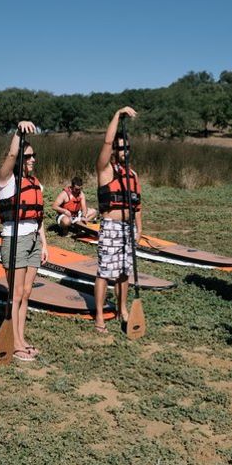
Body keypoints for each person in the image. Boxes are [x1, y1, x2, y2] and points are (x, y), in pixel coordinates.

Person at [0, 121, 49, 361]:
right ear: (19, 159)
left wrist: (44, 244)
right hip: (14, 240)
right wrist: (18, 132)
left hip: (33, 242)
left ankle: (21, 337)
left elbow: (39, 218)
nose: (33, 160)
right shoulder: (6, 180)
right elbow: (11, 153)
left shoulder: (36, 183)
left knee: (26, 293)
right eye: (28, 156)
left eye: (34, 156)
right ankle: (14, 342)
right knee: (15, 294)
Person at [93, 107, 141, 333]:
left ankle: (122, 309)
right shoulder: (105, 169)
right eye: (120, 148)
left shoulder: (132, 175)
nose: (124, 151)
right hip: (111, 227)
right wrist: (117, 115)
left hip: (128, 228)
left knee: (124, 272)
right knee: (105, 272)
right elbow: (106, 141)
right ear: (114, 150)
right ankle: (100, 315)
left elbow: (137, 205)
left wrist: (139, 229)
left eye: (127, 147)